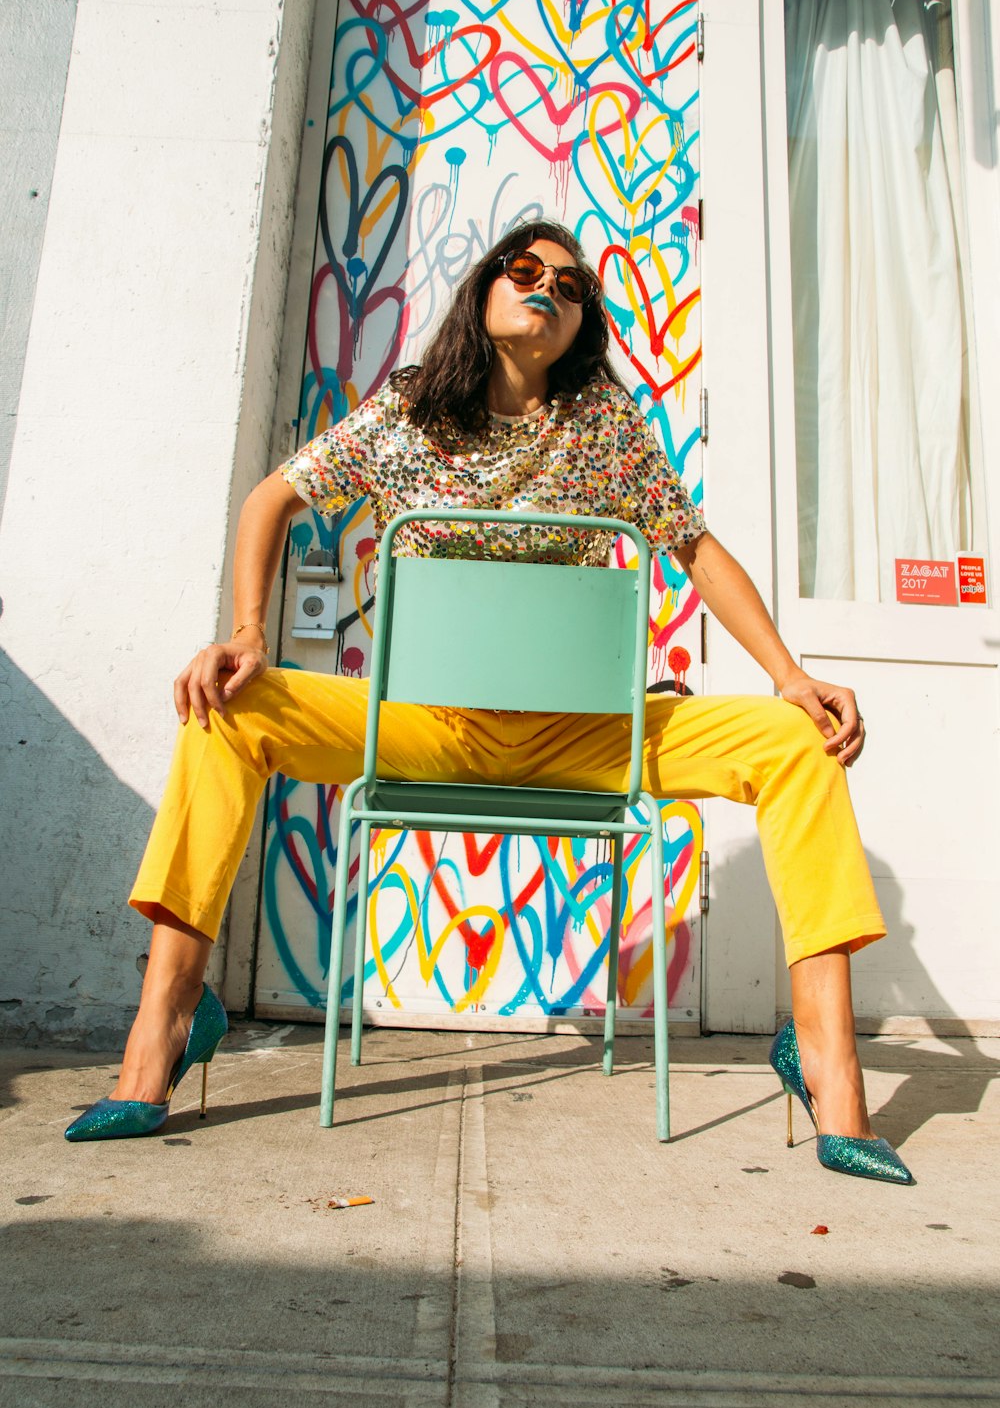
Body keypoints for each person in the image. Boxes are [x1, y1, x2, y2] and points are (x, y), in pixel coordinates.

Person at [66, 221, 911, 1184]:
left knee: (794, 743)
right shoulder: (411, 412)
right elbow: (272, 500)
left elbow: (695, 548)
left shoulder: (605, 427)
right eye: (525, 269)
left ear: (583, 320)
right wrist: (249, 638)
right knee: (227, 710)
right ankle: (166, 1026)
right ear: (484, 290)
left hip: (586, 735)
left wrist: (789, 675)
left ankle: (829, 1066)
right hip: (427, 728)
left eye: (571, 283)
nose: (547, 287)